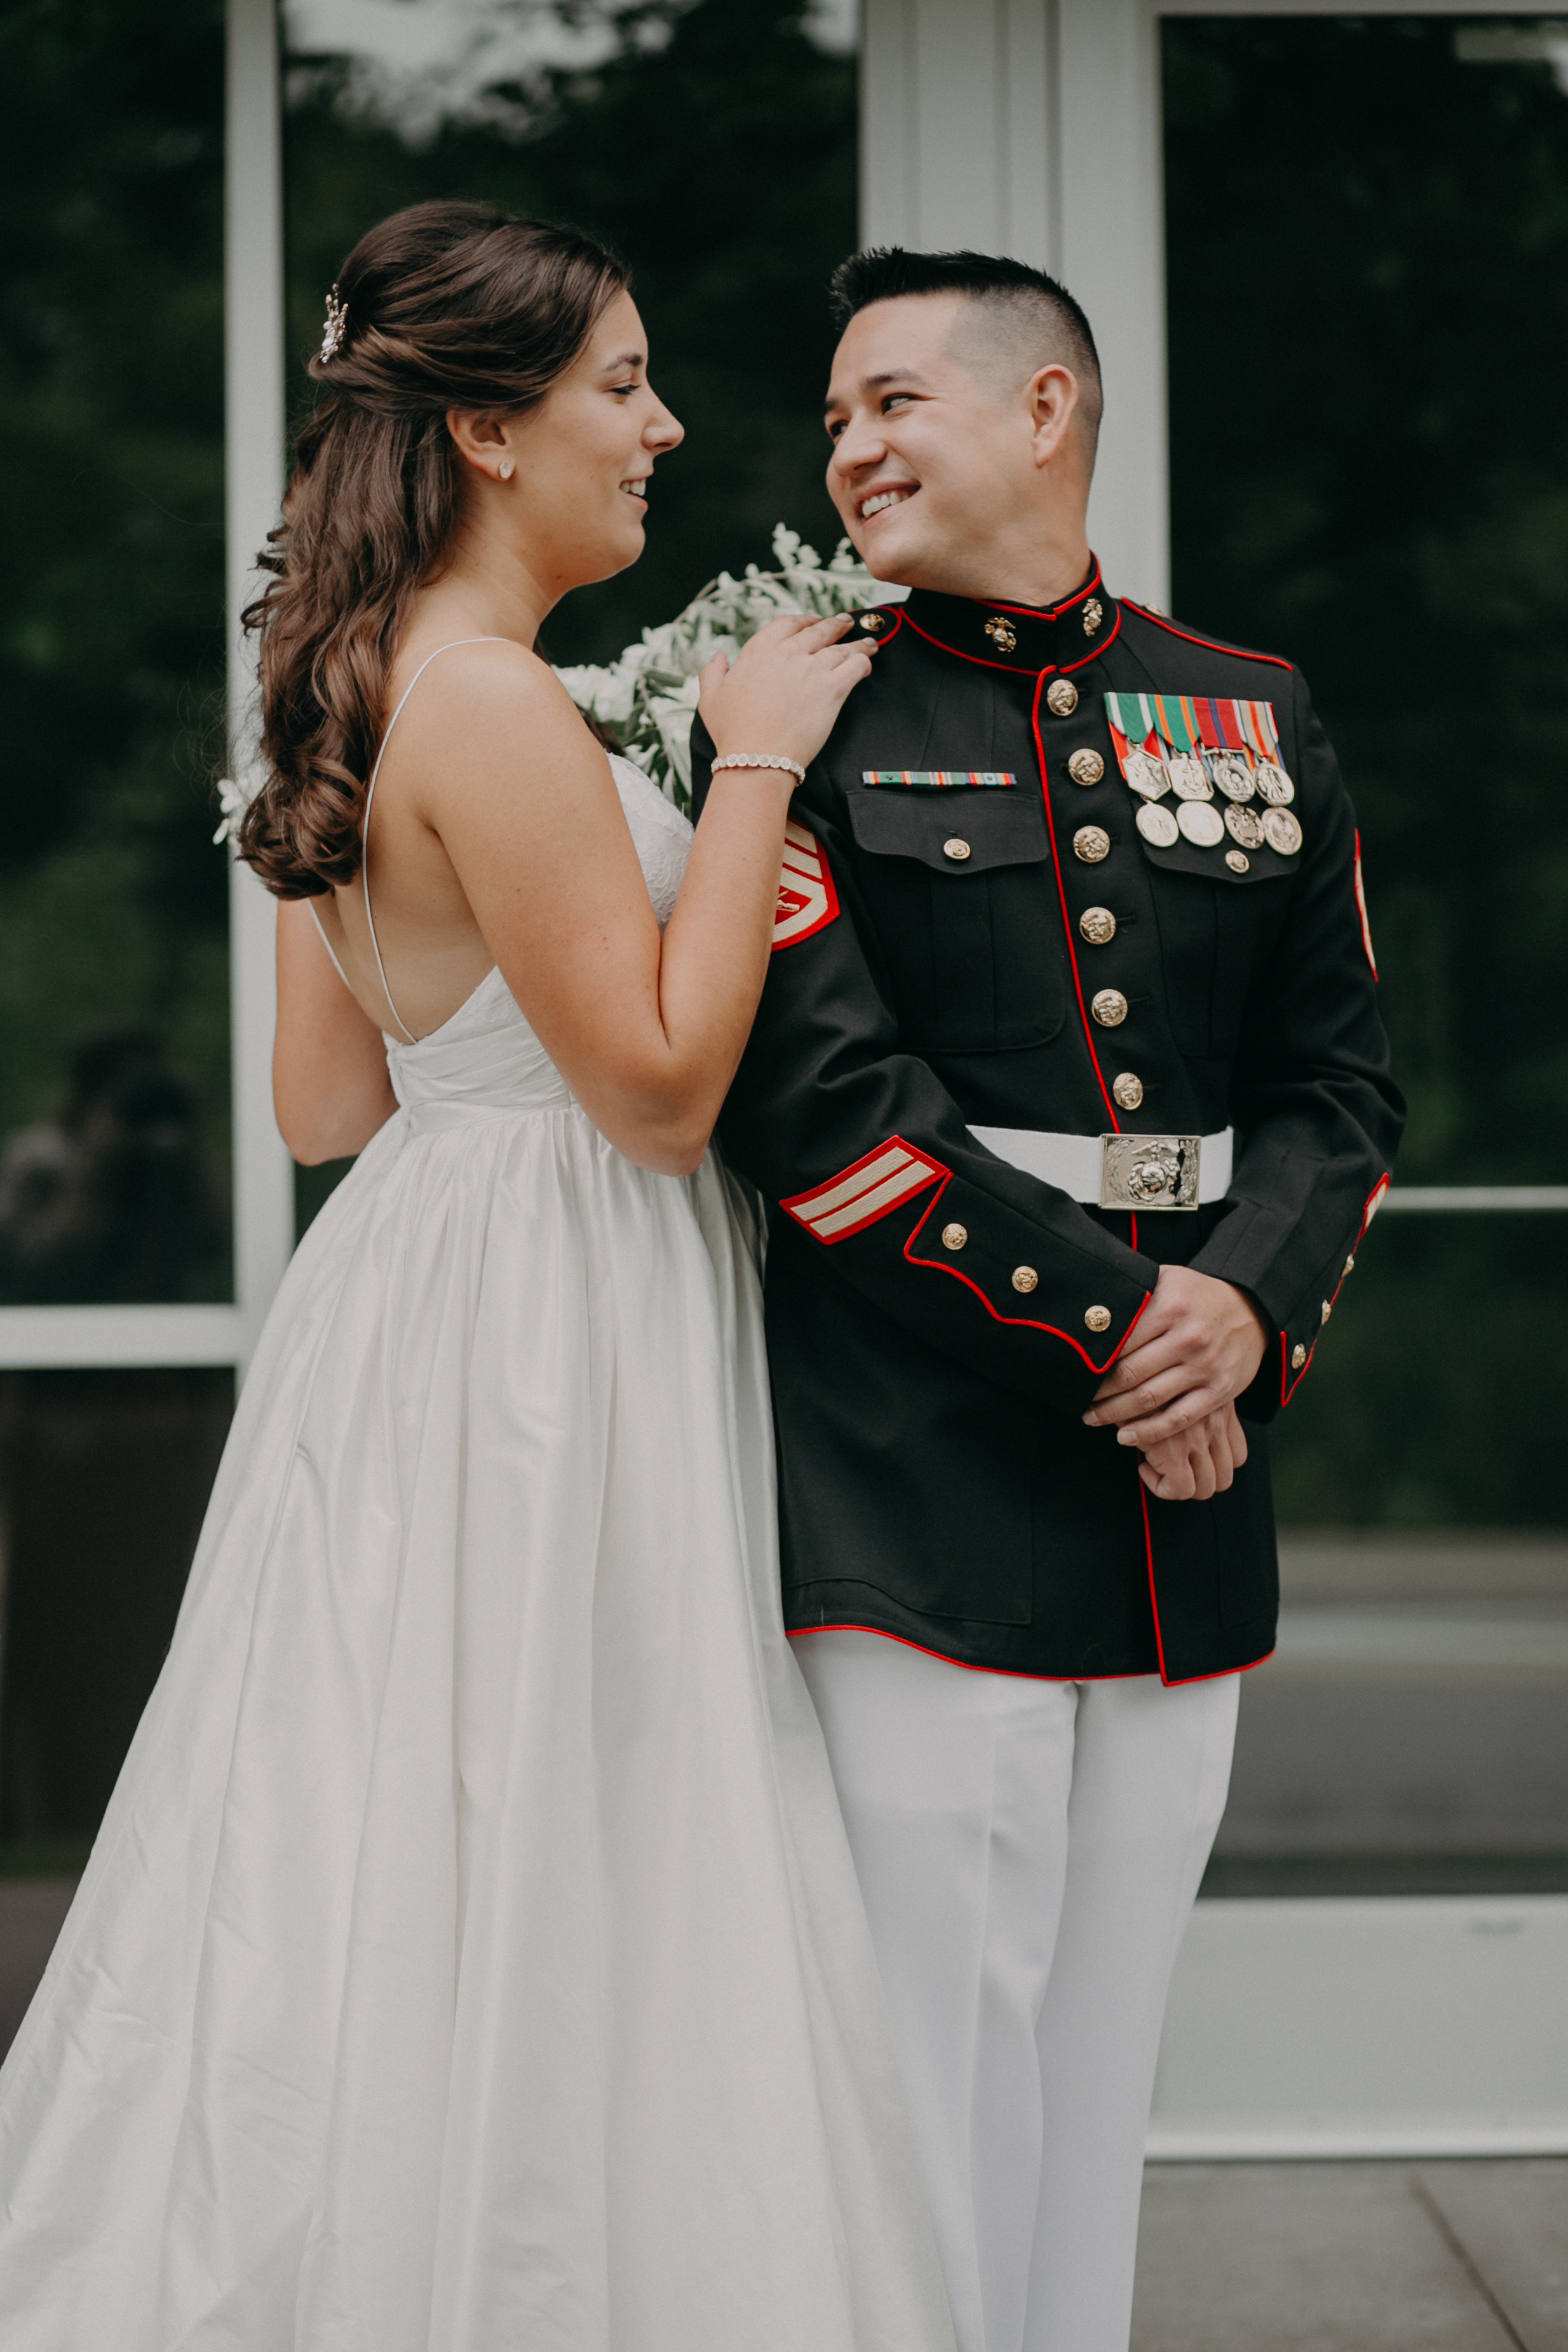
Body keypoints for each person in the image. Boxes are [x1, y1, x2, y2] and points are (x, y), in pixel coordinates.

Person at [0, 202, 957, 2352]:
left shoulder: (332, 687)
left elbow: (328, 1105)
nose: (664, 427)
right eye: (621, 385)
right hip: (553, 1312)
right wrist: (755, 770)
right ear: (492, 429)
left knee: (393, 1811)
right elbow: (647, 1093)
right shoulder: (492, 706)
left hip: (417, 1296)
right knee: (572, 1793)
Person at [692, 247, 1405, 2352]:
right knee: (932, 2024)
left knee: (1103, 2046)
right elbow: (818, 1110)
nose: (849, 446)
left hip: (1186, 1469)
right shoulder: (803, 709)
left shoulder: (1245, 708)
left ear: (1044, 410)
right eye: (832, 418)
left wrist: (1245, 1319)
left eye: (891, 399)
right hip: (915, 1455)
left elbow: (1335, 1089)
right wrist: (1132, 1330)